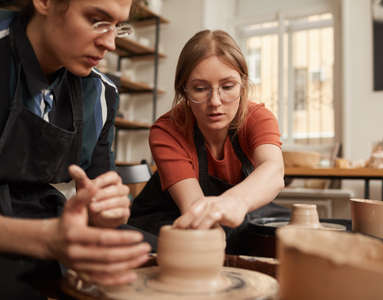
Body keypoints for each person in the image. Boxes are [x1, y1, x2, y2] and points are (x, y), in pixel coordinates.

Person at [0, 1, 151, 298]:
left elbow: (99, 188)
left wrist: (106, 210)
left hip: (49, 216)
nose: (110, 43)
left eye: (118, 26)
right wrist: (46, 240)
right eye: (97, 20)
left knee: (153, 255)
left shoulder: (102, 94)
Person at [129, 29, 289, 253]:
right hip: (171, 219)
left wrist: (235, 202)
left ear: (242, 84)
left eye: (227, 86)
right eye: (200, 89)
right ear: (183, 90)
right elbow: (195, 210)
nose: (215, 101)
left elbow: (273, 170)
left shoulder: (257, 117)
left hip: (235, 212)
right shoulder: (167, 130)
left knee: (290, 233)